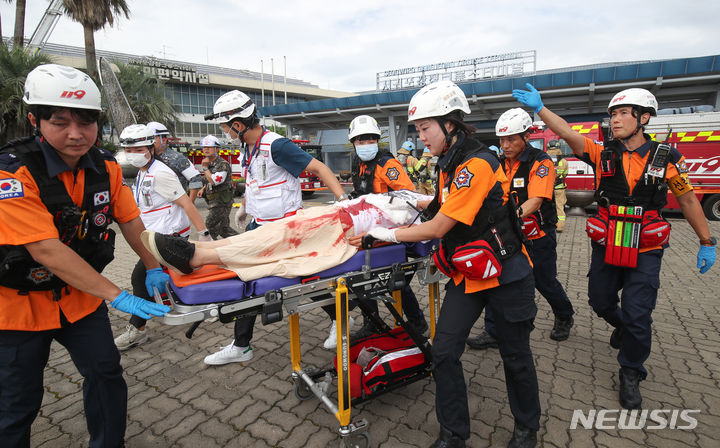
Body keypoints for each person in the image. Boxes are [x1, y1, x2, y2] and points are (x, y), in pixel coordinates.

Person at [352, 80, 540, 448]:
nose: (420, 136)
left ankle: (527, 426)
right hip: (470, 276)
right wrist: (411, 199)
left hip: (507, 275)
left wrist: (382, 235)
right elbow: (441, 205)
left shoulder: (477, 164)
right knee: (444, 351)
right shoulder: (448, 164)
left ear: (449, 124)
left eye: (424, 128)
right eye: (418, 129)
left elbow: (437, 227)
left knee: (515, 355)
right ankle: (454, 434)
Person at [513, 83, 717, 409]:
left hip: (646, 247)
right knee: (599, 301)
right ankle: (621, 325)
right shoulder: (602, 152)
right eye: (613, 114)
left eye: (623, 113)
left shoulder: (666, 157)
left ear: (644, 117)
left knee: (639, 314)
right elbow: (566, 132)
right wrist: (540, 108)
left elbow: (688, 198)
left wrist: (706, 241)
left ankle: (631, 370)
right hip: (607, 242)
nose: (616, 119)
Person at [0, 64, 169, 447]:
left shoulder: (106, 166)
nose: (76, 134)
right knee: (17, 403)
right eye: (59, 122)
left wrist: (154, 267)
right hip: (17, 306)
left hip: (80, 300)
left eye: (86, 123)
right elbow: (44, 248)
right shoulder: (12, 174)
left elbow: (130, 221)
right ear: (34, 119)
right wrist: (116, 294)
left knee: (106, 373)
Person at [202, 89, 347, 365]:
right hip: (259, 226)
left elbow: (320, 169)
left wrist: (343, 202)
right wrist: (245, 206)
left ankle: (340, 319)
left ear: (239, 124)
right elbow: (255, 180)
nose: (225, 132)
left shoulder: (276, 145)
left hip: (285, 229)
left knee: (307, 278)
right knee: (245, 278)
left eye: (225, 126)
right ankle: (241, 344)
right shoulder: (248, 147)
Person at [466, 108, 575, 350]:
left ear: (526, 137)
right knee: (497, 280)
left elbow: (535, 200)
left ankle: (564, 314)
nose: (505, 145)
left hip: (537, 235)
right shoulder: (498, 163)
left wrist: (510, 215)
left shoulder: (541, 162)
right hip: (507, 235)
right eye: (502, 140)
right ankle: (493, 331)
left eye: (511, 139)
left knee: (544, 281)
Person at [113, 124, 212, 351]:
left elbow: (186, 203)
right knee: (180, 274)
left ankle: (137, 330)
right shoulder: (143, 172)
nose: (133, 155)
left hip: (166, 239)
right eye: (129, 151)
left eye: (139, 149)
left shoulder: (161, 172)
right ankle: (201, 305)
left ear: (151, 147)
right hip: (152, 237)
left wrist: (204, 233)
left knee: (140, 278)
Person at [346, 115, 429, 342]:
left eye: (369, 140)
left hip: (389, 228)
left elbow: (408, 196)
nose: (365, 145)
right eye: (360, 141)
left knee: (393, 278)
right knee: (363, 276)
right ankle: (372, 323)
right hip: (366, 227)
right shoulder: (358, 162)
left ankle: (417, 322)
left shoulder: (387, 164)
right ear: (353, 142)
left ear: (377, 140)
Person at [146, 121, 203, 203]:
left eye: (153, 138)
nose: (150, 142)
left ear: (164, 139)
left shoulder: (177, 158)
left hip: (174, 207)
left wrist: (189, 204)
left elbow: (195, 178)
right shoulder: (148, 159)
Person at [197, 134, 239, 239]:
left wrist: (205, 168)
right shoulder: (209, 163)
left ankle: (210, 251)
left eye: (209, 147)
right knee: (223, 229)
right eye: (204, 147)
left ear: (217, 149)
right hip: (215, 201)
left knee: (209, 227)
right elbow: (209, 179)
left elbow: (215, 181)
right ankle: (244, 243)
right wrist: (203, 188)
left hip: (221, 202)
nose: (206, 149)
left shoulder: (222, 164)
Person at [546, 139, 568, 232]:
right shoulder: (563, 161)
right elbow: (565, 174)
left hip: (548, 188)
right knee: (559, 207)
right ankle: (560, 226)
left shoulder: (546, 159)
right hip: (559, 188)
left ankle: (548, 224)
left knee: (547, 207)